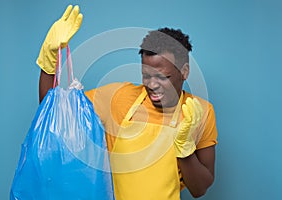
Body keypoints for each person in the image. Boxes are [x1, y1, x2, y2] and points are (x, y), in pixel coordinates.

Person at [37, 5, 218, 200]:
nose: (152, 85)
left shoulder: (200, 112)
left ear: (184, 71)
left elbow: (200, 189)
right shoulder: (118, 98)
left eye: (163, 77)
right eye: (146, 76)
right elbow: (54, 115)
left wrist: (185, 149)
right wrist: (49, 61)